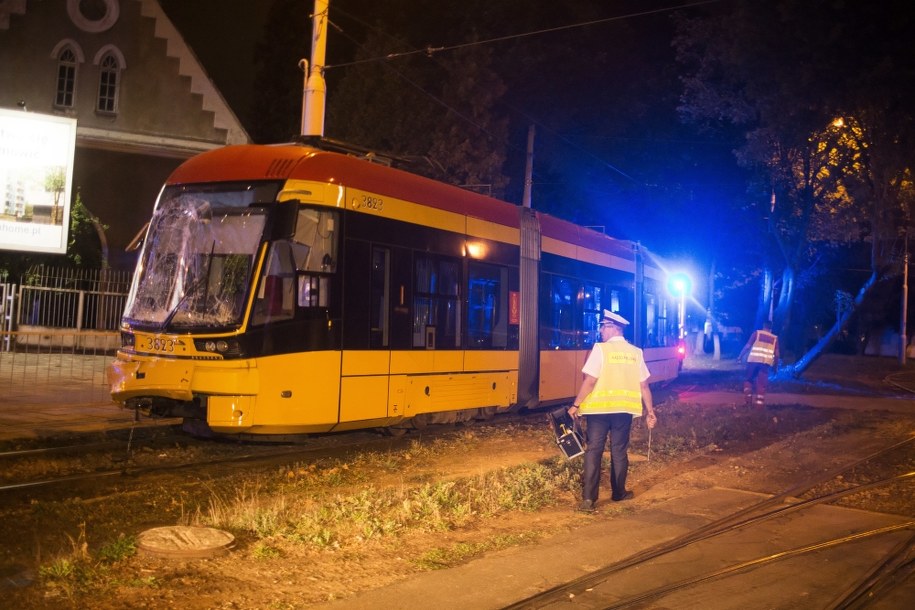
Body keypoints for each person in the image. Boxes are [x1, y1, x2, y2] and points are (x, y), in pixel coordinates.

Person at [568, 310, 657, 512]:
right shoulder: (636, 352)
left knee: (594, 451)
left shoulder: (600, 349)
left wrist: (576, 405)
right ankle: (619, 493)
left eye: (603, 327)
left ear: (612, 328)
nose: (600, 331)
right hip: (623, 411)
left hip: (598, 411)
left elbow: (590, 381)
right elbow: (644, 386)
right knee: (619, 450)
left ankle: (589, 500)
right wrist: (650, 411)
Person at [738, 320, 780, 407]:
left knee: (748, 380)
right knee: (761, 384)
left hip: (753, 361)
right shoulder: (775, 338)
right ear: (771, 327)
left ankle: (748, 402)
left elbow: (747, 346)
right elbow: (777, 355)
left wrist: (740, 356)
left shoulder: (757, 333)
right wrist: (775, 367)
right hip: (765, 364)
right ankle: (759, 406)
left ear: (763, 326)